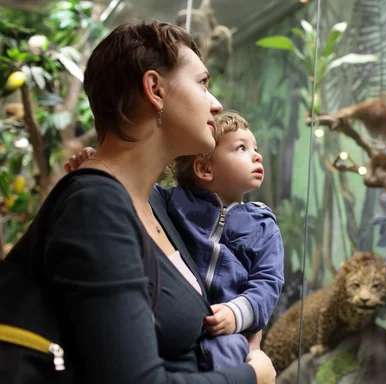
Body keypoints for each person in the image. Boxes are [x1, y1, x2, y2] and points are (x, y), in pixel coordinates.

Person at [16, 20, 276, 383]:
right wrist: (252, 377)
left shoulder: (154, 202)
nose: (216, 105)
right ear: (154, 89)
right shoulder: (96, 207)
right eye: (202, 83)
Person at [67, 112, 285, 372]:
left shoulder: (263, 225)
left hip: (225, 335)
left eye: (255, 148)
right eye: (241, 148)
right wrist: (96, 162)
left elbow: (267, 284)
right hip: (170, 324)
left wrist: (237, 314)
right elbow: (132, 184)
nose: (257, 155)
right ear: (205, 169)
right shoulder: (173, 203)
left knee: (229, 354)